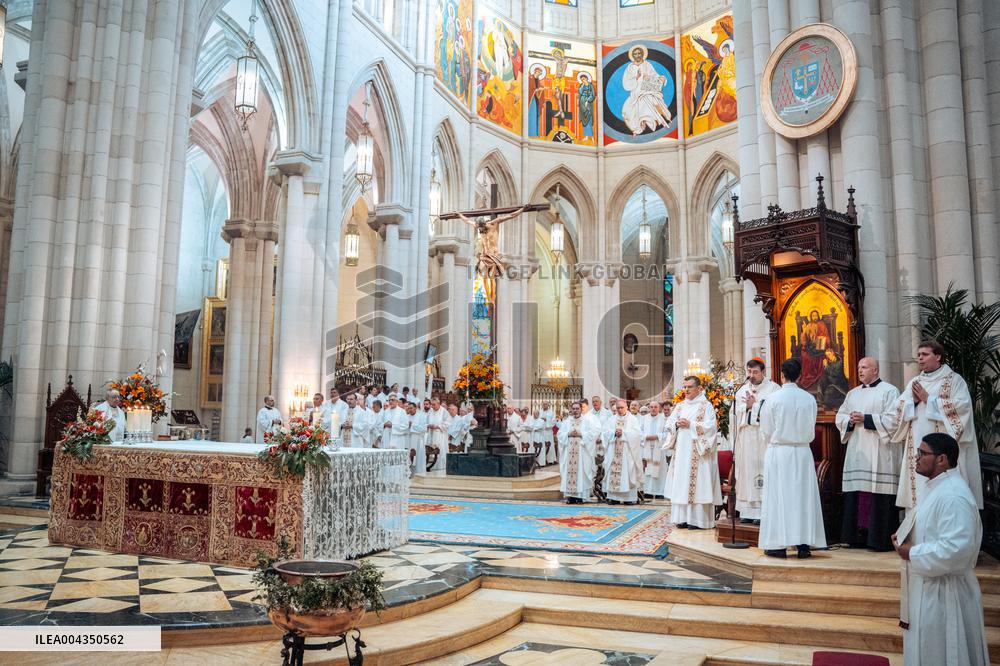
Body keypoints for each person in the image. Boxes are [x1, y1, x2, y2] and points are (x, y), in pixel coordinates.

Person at [891, 433, 989, 666]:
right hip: (930, 589)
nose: (916, 458)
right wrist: (905, 535)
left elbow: (958, 548)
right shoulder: (937, 488)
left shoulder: (953, 495)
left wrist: (911, 552)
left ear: (942, 459)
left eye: (922, 453)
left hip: (947, 595)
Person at [887, 340, 983, 511]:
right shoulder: (915, 382)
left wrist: (928, 399)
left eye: (925, 354)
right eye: (918, 355)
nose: (920, 359)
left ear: (938, 356)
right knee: (919, 498)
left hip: (942, 454)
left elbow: (962, 409)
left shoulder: (954, 380)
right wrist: (914, 403)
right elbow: (898, 410)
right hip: (918, 449)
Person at [758, 358, 826, 558]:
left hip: (780, 452)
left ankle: (778, 544)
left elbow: (766, 430)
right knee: (803, 498)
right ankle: (803, 545)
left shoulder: (773, 399)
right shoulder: (809, 399)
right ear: (800, 375)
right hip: (803, 452)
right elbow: (811, 426)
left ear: (781, 375)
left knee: (779, 498)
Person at [836, 357, 901, 551]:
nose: (860, 370)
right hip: (857, 450)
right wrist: (849, 420)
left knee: (878, 493)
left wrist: (867, 418)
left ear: (876, 370)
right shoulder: (853, 393)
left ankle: (878, 539)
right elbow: (840, 415)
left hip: (879, 451)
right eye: (858, 367)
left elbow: (894, 420)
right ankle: (855, 537)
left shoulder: (889, 391)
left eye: (864, 367)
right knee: (857, 492)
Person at [663, 376, 721, 528]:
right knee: (681, 484)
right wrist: (676, 424)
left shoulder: (705, 406)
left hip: (698, 454)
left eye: (689, 387)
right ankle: (681, 518)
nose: (686, 390)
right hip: (682, 452)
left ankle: (697, 520)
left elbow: (711, 428)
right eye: (685, 387)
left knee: (698, 486)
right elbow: (669, 423)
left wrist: (691, 425)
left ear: (699, 388)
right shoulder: (680, 406)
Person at [729, 358, 779, 523]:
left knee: (763, 471)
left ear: (763, 372)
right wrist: (745, 407)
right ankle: (747, 512)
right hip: (746, 438)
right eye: (749, 372)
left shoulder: (773, 389)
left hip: (763, 438)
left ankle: (762, 512)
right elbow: (734, 414)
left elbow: (775, 413)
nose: (751, 375)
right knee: (746, 473)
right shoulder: (741, 390)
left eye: (755, 372)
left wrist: (754, 406)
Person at [602, 399, 643, 504]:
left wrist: (624, 433)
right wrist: (614, 433)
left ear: (626, 407)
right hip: (613, 451)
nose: (620, 410)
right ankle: (614, 498)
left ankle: (628, 498)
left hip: (627, 452)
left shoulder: (633, 419)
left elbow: (637, 434)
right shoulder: (611, 419)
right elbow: (605, 433)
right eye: (618, 408)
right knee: (613, 472)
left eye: (622, 408)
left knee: (627, 472)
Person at [557, 401, 597, 503]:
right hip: (569, 452)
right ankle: (570, 496)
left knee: (581, 473)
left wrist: (581, 434)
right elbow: (560, 434)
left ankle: (580, 496)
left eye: (577, 409)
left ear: (581, 409)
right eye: (573, 409)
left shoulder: (587, 421)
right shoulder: (566, 422)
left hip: (582, 453)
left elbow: (592, 434)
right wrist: (568, 433)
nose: (575, 411)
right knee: (569, 473)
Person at [641, 401, 669, 499]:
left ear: (659, 408)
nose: (653, 409)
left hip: (659, 448)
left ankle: (659, 492)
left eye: (655, 407)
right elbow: (639, 431)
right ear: (649, 408)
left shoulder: (664, 419)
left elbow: (667, 433)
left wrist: (657, 436)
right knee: (647, 469)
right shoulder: (644, 419)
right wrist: (645, 437)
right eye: (651, 407)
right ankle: (647, 491)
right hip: (647, 446)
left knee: (660, 470)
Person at [425, 398, 449, 470]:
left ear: (439, 404)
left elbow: (448, 424)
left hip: (440, 435)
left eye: (434, 405)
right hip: (431, 433)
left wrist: (438, 426)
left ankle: (440, 466)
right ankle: (431, 465)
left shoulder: (444, 412)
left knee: (440, 451)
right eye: (431, 404)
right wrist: (428, 425)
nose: (432, 406)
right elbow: (426, 421)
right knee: (430, 450)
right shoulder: (430, 411)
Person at [406, 402, 428, 475]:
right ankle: (409, 473)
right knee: (408, 457)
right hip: (408, 440)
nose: (410, 410)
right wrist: (407, 426)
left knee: (418, 457)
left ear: (415, 408)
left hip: (417, 439)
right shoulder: (406, 416)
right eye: (408, 408)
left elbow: (424, 428)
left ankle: (418, 473)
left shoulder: (421, 416)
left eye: (411, 408)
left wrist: (412, 426)